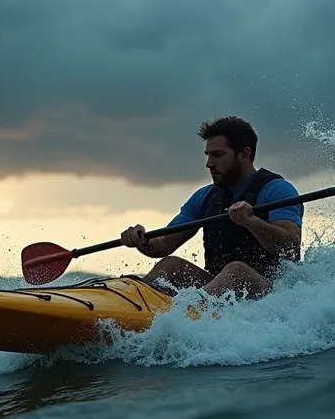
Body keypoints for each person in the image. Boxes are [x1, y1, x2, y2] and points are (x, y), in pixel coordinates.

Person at [120, 115, 302, 300]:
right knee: (170, 265)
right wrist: (142, 240)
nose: (209, 164)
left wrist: (251, 222)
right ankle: (136, 307)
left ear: (244, 155)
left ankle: (189, 313)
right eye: (208, 155)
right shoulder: (204, 197)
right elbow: (163, 245)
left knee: (236, 271)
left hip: (274, 296)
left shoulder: (277, 190)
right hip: (219, 291)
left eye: (218, 155)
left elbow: (290, 246)